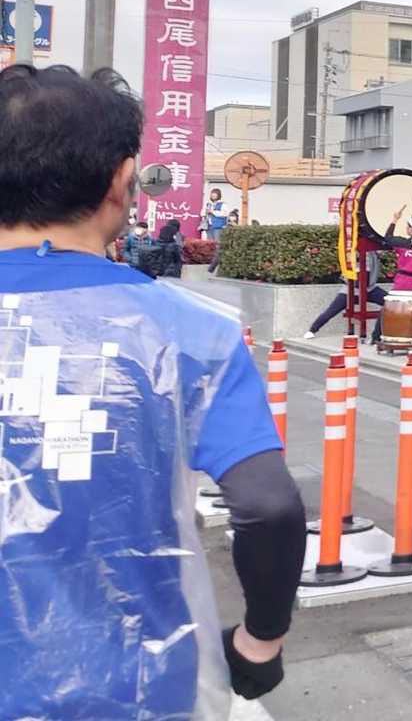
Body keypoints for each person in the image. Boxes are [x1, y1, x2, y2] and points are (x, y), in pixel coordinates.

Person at [0, 64, 303, 716]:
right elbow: (268, 506)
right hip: (137, 681)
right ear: (122, 179)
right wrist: (260, 642)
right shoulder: (190, 330)